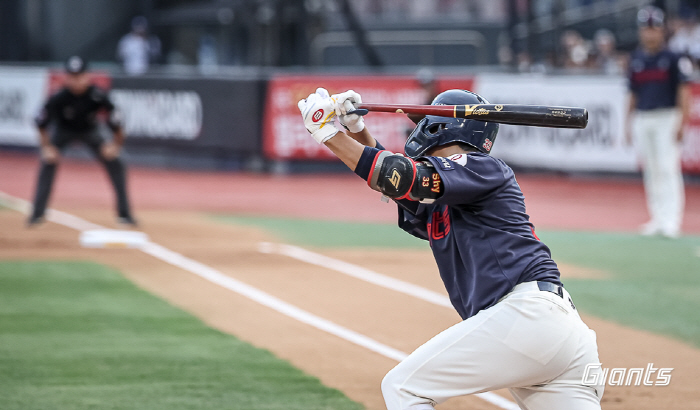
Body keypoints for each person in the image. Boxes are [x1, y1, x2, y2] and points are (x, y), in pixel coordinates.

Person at [297, 87, 604, 409]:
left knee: (404, 388)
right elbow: (396, 181)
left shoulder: (480, 166)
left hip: (527, 317)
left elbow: (401, 176)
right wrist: (356, 130)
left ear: (438, 127)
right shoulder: (455, 188)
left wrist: (326, 132)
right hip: (559, 332)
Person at [28, 56, 136, 227]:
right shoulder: (58, 97)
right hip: (63, 132)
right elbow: (40, 123)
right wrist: (47, 147)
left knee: (117, 161)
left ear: (87, 76)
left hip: (90, 131)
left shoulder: (97, 95)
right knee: (47, 162)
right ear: (67, 77)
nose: (76, 80)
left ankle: (125, 214)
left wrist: (115, 145)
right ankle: (36, 214)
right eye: (72, 76)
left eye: (80, 75)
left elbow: (117, 121)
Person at [626, 6, 691, 238]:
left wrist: (682, 122)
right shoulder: (637, 58)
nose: (650, 33)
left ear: (662, 30)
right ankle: (657, 216)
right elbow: (632, 93)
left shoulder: (673, 57)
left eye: (654, 28)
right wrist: (628, 122)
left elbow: (684, 91)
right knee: (651, 169)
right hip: (644, 116)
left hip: (667, 116)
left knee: (667, 167)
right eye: (646, 29)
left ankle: (672, 219)